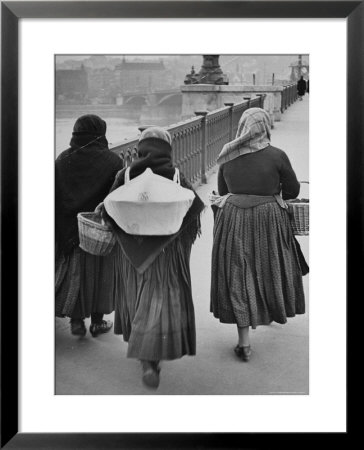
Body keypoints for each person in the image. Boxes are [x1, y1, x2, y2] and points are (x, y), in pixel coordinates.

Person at [103, 127, 204, 389]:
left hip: (131, 252)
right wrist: (180, 241)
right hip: (165, 253)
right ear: (167, 149)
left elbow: (108, 210)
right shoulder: (176, 176)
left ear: (140, 149)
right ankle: (150, 358)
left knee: (136, 297)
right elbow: (193, 211)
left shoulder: (125, 174)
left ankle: (144, 353)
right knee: (158, 300)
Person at [210, 108, 307, 362]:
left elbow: (223, 190)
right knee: (269, 266)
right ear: (264, 127)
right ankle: (268, 310)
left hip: (233, 218)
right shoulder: (277, 155)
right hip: (268, 219)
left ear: (242, 127)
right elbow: (293, 191)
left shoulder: (228, 154)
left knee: (237, 272)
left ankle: (244, 343)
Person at [55, 114, 124, 337]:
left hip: (68, 227)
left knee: (75, 274)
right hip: (99, 228)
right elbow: (116, 198)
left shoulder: (63, 158)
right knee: (101, 275)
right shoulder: (113, 161)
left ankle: (76, 321)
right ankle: (97, 322)